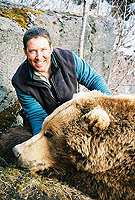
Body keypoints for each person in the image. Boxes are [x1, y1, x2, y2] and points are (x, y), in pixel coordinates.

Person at [12, 26, 111, 135]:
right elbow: (37, 116)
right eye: (33, 51)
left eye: (43, 50)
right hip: (43, 124)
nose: (39, 57)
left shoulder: (68, 59)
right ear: (25, 52)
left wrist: (109, 106)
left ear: (51, 48)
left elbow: (94, 80)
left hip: (72, 118)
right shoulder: (20, 81)